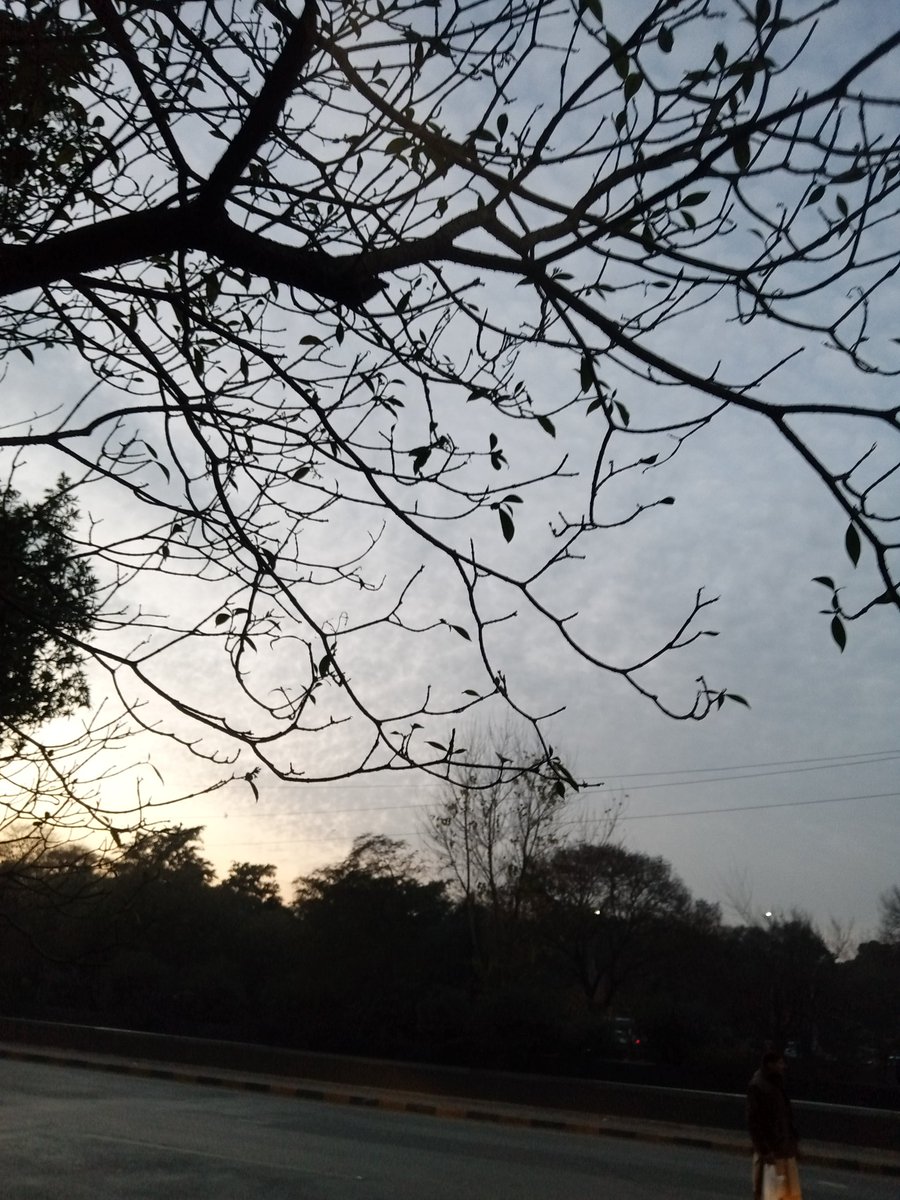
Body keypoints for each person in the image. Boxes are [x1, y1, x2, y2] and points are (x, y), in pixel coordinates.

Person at [746, 1044, 802, 1200]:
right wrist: (764, 1150)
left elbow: (785, 1115)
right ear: (771, 1064)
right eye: (780, 1063)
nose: (783, 1066)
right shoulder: (759, 1086)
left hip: (782, 1146)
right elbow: (755, 1122)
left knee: (780, 1192)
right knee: (770, 1192)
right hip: (772, 1149)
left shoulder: (774, 1084)